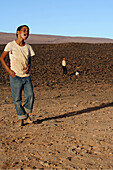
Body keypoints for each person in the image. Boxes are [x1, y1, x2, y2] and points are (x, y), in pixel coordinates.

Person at [0, 25, 35, 126]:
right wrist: (9, 71)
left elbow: (30, 59)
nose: (26, 32)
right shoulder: (10, 45)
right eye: (24, 30)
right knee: (17, 99)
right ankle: (22, 118)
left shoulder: (28, 47)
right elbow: (2, 58)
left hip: (26, 76)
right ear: (17, 32)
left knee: (30, 96)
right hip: (15, 76)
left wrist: (29, 66)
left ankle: (25, 115)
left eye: (28, 31)